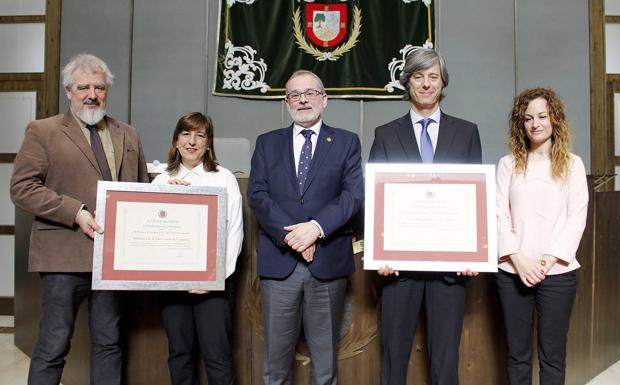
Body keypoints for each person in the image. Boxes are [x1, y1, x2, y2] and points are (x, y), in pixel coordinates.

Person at [10, 53, 149, 385]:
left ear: (107, 91)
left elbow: (140, 191)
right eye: (83, 87)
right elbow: (22, 188)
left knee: (109, 344)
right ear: (68, 91)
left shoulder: (128, 134)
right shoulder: (43, 131)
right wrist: (75, 212)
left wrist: (169, 190)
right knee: (53, 344)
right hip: (63, 259)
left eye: (99, 87)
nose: (92, 94)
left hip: (113, 261)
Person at [368, 47, 482, 385]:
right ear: (408, 83)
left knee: (445, 363)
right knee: (393, 358)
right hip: (398, 268)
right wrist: (379, 254)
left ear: (443, 82)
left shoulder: (466, 132)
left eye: (433, 76)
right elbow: (374, 199)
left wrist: (473, 251)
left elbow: (474, 197)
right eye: (418, 76)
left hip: (450, 268)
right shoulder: (385, 134)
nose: (426, 83)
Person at [247, 70, 364, 385]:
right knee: (276, 366)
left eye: (310, 93)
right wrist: (295, 237)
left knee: (325, 367)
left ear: (324, 99)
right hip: (280, 264)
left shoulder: (347, 142)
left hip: (327, 263)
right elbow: (257, 195)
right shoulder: (266, 143)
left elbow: (353, 196)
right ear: (286, 103)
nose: (302, 100)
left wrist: (315, 228)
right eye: (294, 95)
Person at [495, 87, 588, 385]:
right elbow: (499, 215)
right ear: (519, 124)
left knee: (552, 356)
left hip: (558, 273)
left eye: (542, 116)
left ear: (555, 119)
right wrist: (519, 260)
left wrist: (546, 261)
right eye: (527, 118)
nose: (535, 124)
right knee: (517, 355)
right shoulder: (508, 164)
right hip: (512, 272)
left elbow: (576, 218)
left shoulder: (573, 164)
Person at [151, 112, 243, 385]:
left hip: (213, 285)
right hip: (172, 284)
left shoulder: (224, 178)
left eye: (200, 135)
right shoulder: (161, 181)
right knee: (180, 353)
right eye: (186, 134)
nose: (192, 141)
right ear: (176, 140)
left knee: (218, 355)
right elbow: (151, 234)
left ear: (208, 142)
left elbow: (235, 232)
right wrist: (169, 197)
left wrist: (213, 279)